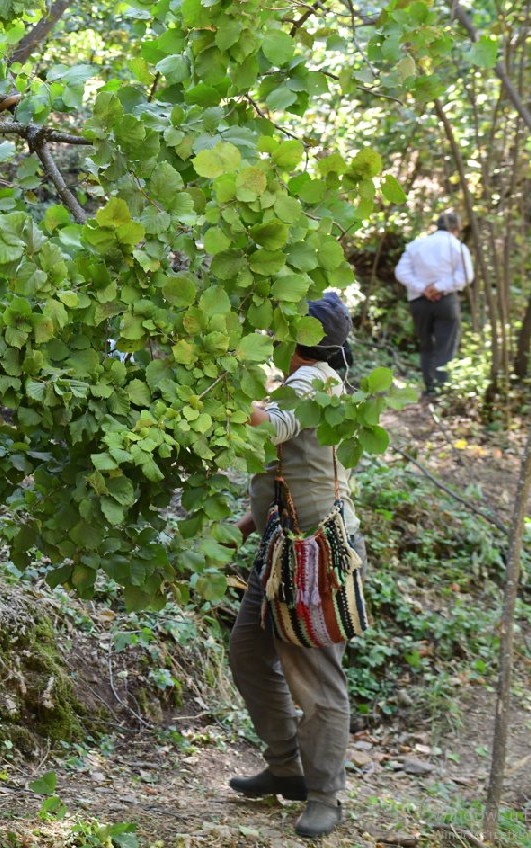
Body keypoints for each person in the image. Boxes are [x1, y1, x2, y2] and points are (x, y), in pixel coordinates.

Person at [227, 292, 366, 839]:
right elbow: (292, 466)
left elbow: (269, 427)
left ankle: (325, 793)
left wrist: (220, 381)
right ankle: (286, 768)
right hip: (282, 546)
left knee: (314, 675)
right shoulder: (311, 379)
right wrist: (248, 522)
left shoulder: (310, 382)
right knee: (248, 652)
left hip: (315, 552)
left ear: (297, 338)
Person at [394, 212, 473, 397]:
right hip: (446, 301)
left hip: (419, 301)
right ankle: (441, 388)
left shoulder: (416, 245)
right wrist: (438, 288)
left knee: (426, 343)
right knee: (446, 344)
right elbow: (466, 275)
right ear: (456, 229)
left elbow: (401, 271)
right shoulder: (458, 247)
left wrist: (423, 288)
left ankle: (429, 387)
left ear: (437, 226)